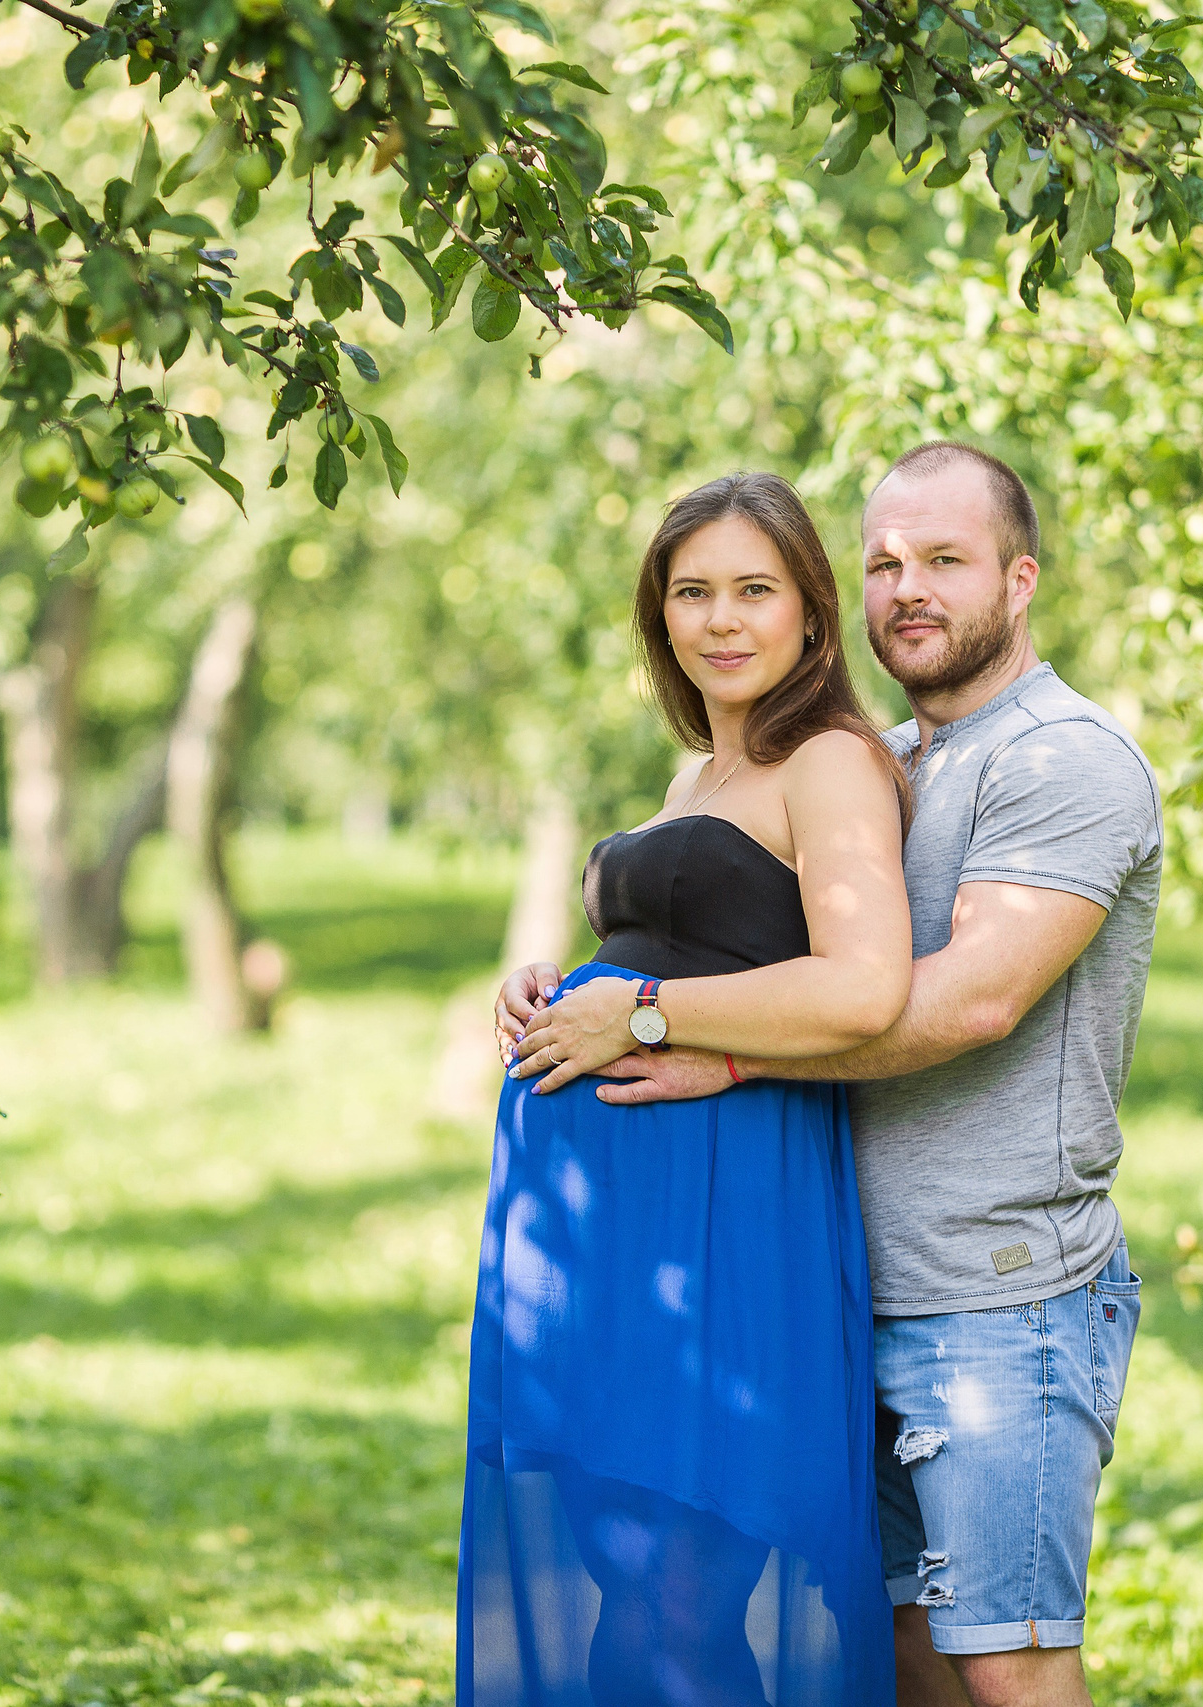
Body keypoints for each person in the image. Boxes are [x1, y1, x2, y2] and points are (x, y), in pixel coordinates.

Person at [496, 443, 1163, 1707]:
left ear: (1020, 581)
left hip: (993, 1286)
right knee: (902, 1653)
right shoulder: (885, 754)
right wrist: (574, 984)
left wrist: (688, 1037)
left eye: (946, 562)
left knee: (1006, 1662)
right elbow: (747, 931)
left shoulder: (1060, 761)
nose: (909, 589)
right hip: (835, 1270)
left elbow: (966, 998)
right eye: (887, 565)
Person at [460, 471, 917, 1706]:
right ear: (658, 617)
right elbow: (689, 952)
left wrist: (640, 1011)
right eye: (692, 591)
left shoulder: (827, 762)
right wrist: (557, 988)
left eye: (753, 590)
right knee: (630, 1586)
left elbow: (864, 988)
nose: (722, 619)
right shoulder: (693, 778)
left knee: (680, 1596)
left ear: (812, 616)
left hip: (728, 1221)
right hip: (615, 1242)